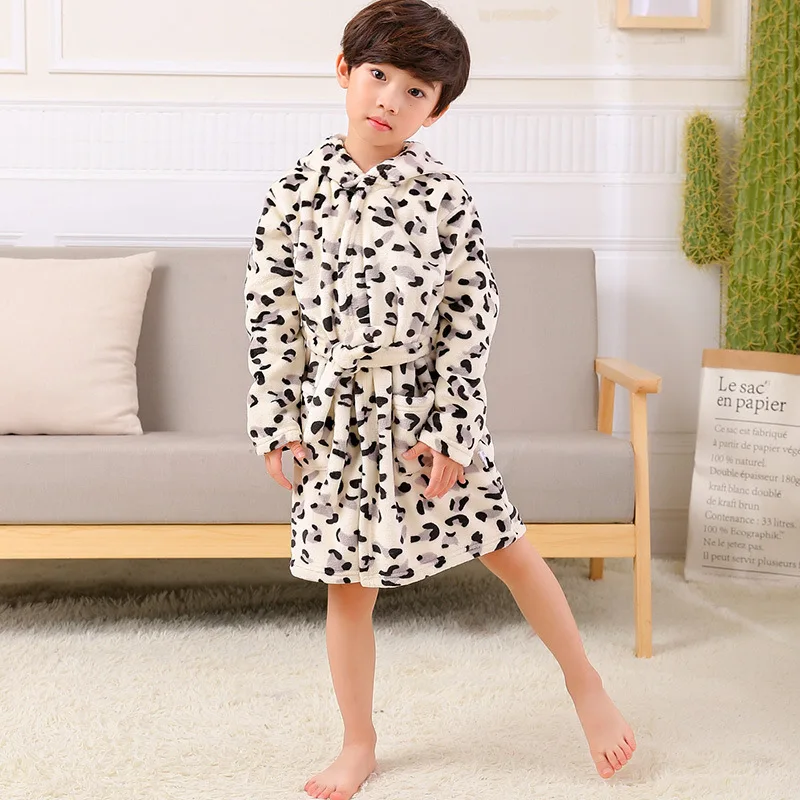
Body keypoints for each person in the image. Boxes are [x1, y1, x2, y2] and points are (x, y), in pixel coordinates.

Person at [244, 1, 636, 797]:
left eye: (415, 91)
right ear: (345, 71)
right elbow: (270, 314)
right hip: (335, 421)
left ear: (438, 109)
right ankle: (358, 741)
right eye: (378, 76)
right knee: (348, 588)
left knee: (508, 548)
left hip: (427, 412)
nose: (390, 100)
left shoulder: (443, 196)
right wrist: (276, 422)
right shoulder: (293, 191)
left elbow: (468, 317)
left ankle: (585, 683)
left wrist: (452, 432)